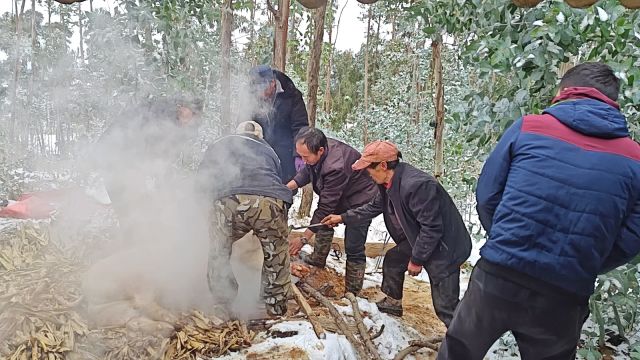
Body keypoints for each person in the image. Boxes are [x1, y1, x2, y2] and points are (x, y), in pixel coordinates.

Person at [437, 62, 640, 360]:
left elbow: (488, 194)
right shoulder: (634, 158)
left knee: (458, 352)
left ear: (564, 92)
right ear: (613, 102)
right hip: (564, 292)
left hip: (498, 276)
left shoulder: (528, 127)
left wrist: (508, 239)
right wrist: (584, 261)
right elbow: (632, 238)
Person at [322, 141, 471, 327]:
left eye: (369, 168)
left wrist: (417, 260)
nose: (367, 173)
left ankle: (463, 340)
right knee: (394, 259)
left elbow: (432, 228)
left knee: (445, 305)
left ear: (383, 165)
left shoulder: (416, 185)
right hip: (420, 237)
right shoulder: (387, 183)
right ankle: (393, 303)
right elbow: (373, 207)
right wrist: (342, 217)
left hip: (445, 247)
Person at [198, 121, 294, 317]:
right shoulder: (269, 151)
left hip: (227, 201)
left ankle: (222, 305)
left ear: (237, 133)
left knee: (220, 250)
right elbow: (276, 181)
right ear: (259, 136)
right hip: (269, 202)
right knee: (275, 253)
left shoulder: (222, 143)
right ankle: (275, 307)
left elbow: (204, 178)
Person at [287, 127, 377, 295]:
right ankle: (318, 259)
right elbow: (307, 170)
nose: (303, 160)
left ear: (321, 150)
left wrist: (303, 239)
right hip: (340, 193)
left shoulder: (336, 165)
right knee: (325, 223)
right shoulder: (318, 148)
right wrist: (287, 187)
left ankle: (352, 292)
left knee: (354, 246)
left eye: (305, 156)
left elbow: (325, 207)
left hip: (360, 200)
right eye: (300, 155)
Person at [98, 95, 203, 237]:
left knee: (134, 208)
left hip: (119, 156)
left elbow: (163, 160)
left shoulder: (173, 120)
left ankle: (134, 240)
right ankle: (134, 245)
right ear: (183, 108)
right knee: (132, 206)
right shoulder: (164, 116)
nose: (192, 118)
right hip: (118, 156)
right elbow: (156, 157)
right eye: (192, 112)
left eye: (196, 115)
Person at [250, 65, 309, 183]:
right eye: (256, 90)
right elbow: (246, 124)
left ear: (273, 83)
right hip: (259, 156)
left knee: (284, 191)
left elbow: (300, 127)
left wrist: (298, 154)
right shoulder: (250, 97)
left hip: (285, 155)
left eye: (262, 89)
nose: (260, 94)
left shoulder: (291, 95)